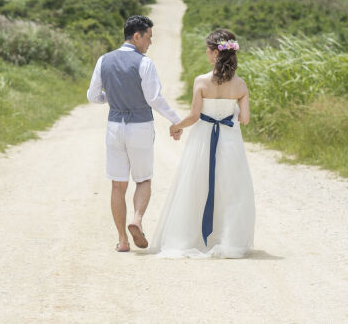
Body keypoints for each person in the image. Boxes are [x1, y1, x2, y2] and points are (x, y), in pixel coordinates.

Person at [150, 28, 255, 258]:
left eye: (208, 51)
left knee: (196, 186)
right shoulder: (241, 85)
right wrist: (229, 112)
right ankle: (228, 239)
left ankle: (191, 238)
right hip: (229, 141)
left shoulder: (201, 81)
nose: (207, 54)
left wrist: (176, 126)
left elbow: (194, 116)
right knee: (229, 190)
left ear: (215, 54)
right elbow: (245, 119)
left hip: (203, 139)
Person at [87, 15, 182, 252]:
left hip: (114, 127)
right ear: (137, 36)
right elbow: (154, 99)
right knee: (143, 179)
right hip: (139, 126)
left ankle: (122, 240)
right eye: (148, 38)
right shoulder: (145, 63)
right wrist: (176, 120)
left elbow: (92, 96)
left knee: (117, 185)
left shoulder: (103, 60)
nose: (150, 43)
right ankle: (136, 220)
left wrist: (113, 98)